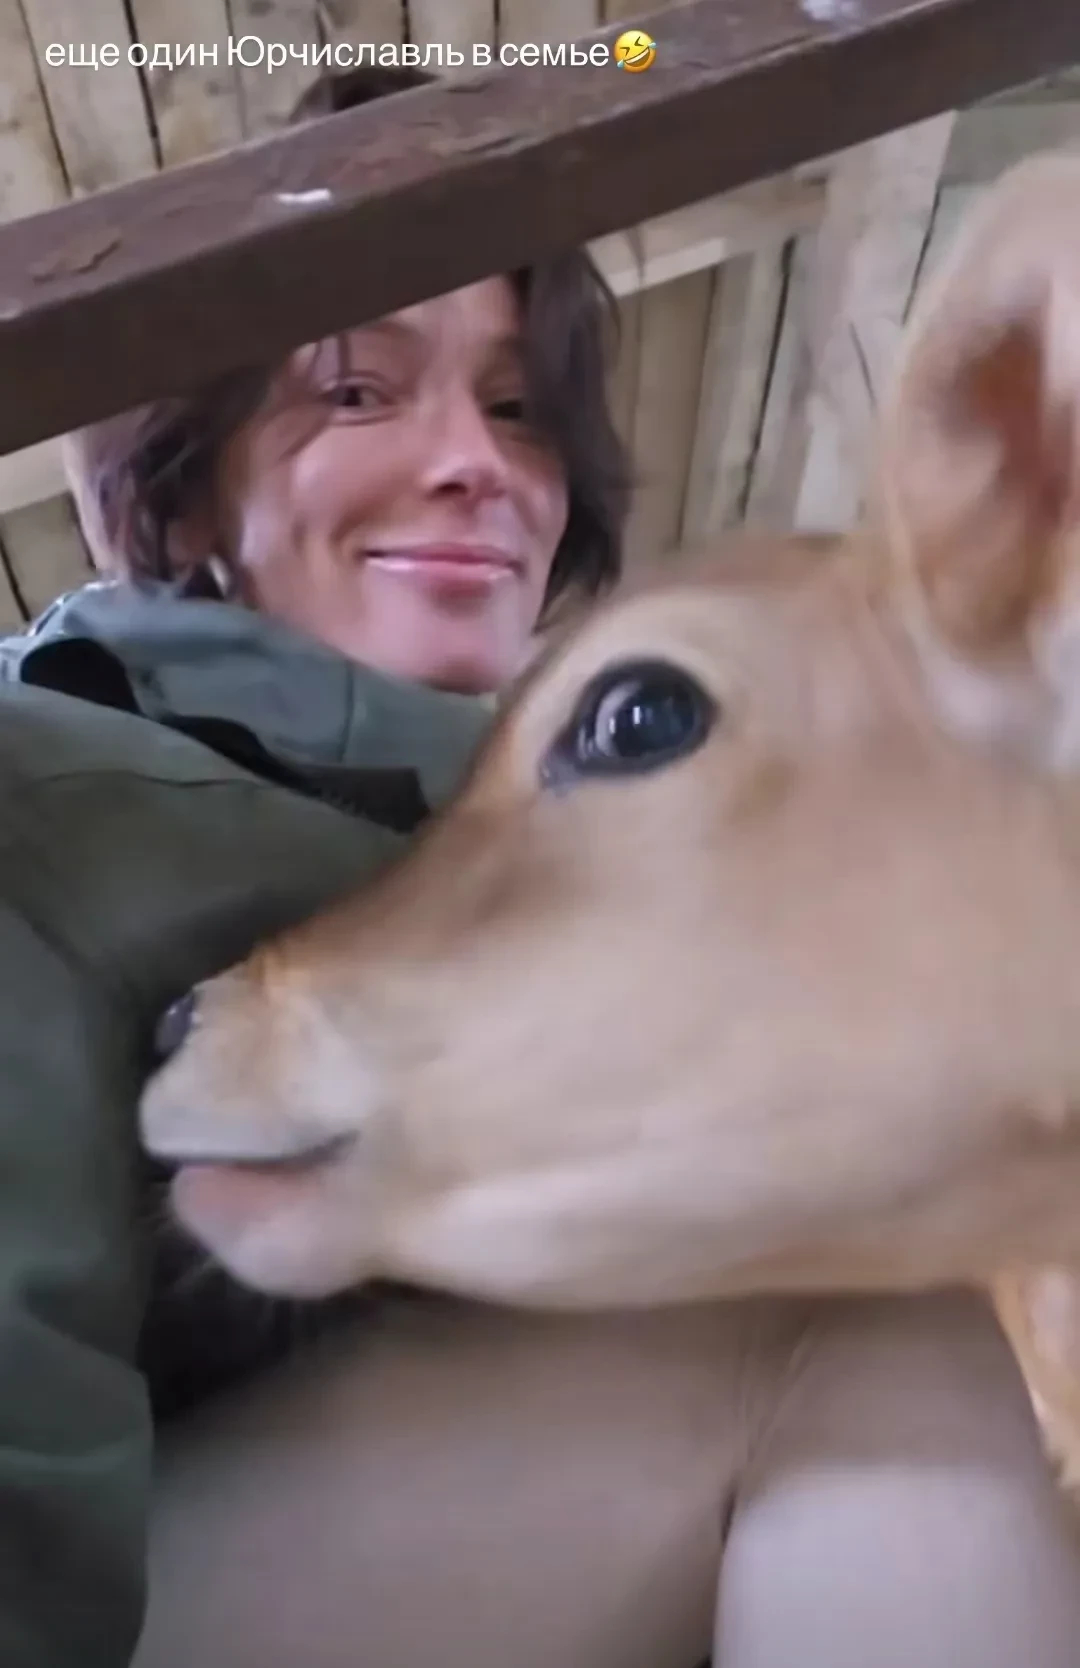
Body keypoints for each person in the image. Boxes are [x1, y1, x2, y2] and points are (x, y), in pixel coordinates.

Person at [0, 62, 1078, 1668]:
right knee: (858, 1339)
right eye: (357, 393)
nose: (475, 464)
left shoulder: (636, 823)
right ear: (187, 491)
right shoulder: (48, 771)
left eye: (521, 410)